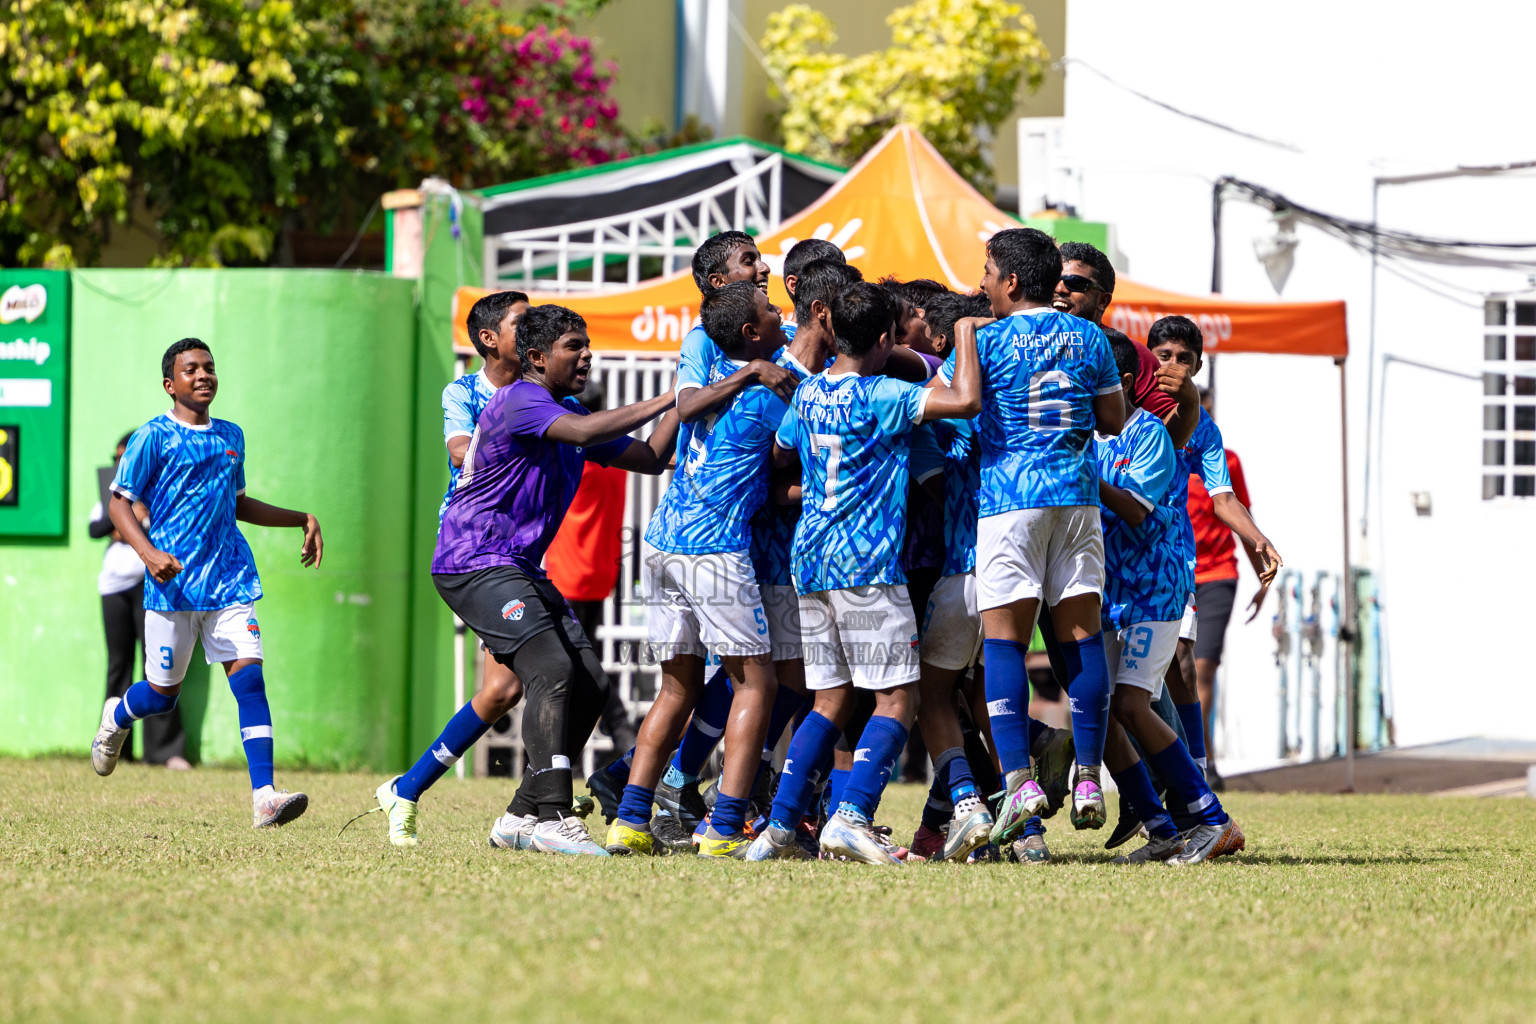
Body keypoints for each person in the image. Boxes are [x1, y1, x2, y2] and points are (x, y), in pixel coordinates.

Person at [368, 305, 678, 853]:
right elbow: (579, 430)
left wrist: (696, 396)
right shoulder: (518, 399)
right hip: (473, 560)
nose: (586, 354)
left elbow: (652, 457)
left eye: (587, 345)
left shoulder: (561, 407)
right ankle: (555, 815)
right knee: (548, 670)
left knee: (589, 683)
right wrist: (672, 397)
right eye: (573, 346)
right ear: (534, 356)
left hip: (516, 565)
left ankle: (518, 816)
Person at [746, 279, 982, 865]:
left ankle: (778, 828)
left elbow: (780, 452)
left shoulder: (807, 395)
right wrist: (964, 334)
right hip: (867, 565)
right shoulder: (881, 395)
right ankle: (850, 818)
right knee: (898, 698)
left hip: (811, 561)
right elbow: (965, 402)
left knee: (829, 701)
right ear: (884, 339)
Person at [942, 228, 1126, 854]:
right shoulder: (1091, 335)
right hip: (1076, 499)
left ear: (1013, 282)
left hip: (1008, 503)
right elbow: (1112, 420)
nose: (982, 283)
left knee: (1004, 644)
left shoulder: (986, 339)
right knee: (1081, 640)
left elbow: (953, 405)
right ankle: (1090, 778)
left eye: (988, 272)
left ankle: (1018, 778)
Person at [91, 338, 323, 828]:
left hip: (230, 581)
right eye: (191, 369)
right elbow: (118, 504)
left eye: (209, 367)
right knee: (161, 695)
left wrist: (301, 517)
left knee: (250, 679)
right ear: (169, 384)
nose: (203, 375)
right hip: (173, 587)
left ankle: (264, 796)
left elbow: (239, 504)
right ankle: (116, 717)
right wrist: (150, 554)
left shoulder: (231, 435)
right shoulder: (152, 436)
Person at [605, 283, 799, 859]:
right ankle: (723, 828)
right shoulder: (776, 390)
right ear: (750, 334)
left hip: (662, 542)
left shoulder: (710, 375)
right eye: (770, 311)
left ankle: (630, 819)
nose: (779, 313)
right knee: (758, 683)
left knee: (677, 686)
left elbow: (686, 406)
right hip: (714, 550)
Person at [1094, 329, 1245, 863]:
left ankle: (1210, 816)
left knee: (1138, 702)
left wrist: (1075, 476)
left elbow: (1135, 508)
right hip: (1110, 596)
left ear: (1125, 383)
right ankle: (1162, 828)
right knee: (1108, 711)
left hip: (1156, 592)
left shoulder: (1152, 435)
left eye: (1097, 381)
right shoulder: (1093, 436)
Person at [1146, 317, 1282, 786]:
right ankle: (1140, 782)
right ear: (1148, 358)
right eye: (1165, 356)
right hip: (1119, 561)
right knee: (1130, 685)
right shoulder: (1120, 408)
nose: (1175, 366)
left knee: (1190, 665)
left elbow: (1227, 500)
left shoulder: (1206, 433)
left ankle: (1198, 774)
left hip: (1192, 568)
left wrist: (1258, 542)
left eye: (1185, 359)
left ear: (1199, 366)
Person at [90, 433, 189, 770]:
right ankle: (118, 748)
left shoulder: (157, 489)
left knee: (159, 671)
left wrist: (141, 518)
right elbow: (96, 526)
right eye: (116, 457)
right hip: (114, 588)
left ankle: (164, 751)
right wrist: (120, 519)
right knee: (119, 665)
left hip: (151, 589)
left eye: (126, 456)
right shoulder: (112, 490)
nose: (121, 462)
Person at [1187, 388, 1270, 781]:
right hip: (1176, 574)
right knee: (1179, 672)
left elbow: (1240, 515)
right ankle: (1185, 761)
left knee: (1203, 669)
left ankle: (1205, 764)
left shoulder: (1225, 460)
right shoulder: (1162, 452)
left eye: (1208, 412)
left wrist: (1262, 574)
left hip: (1218, 574)